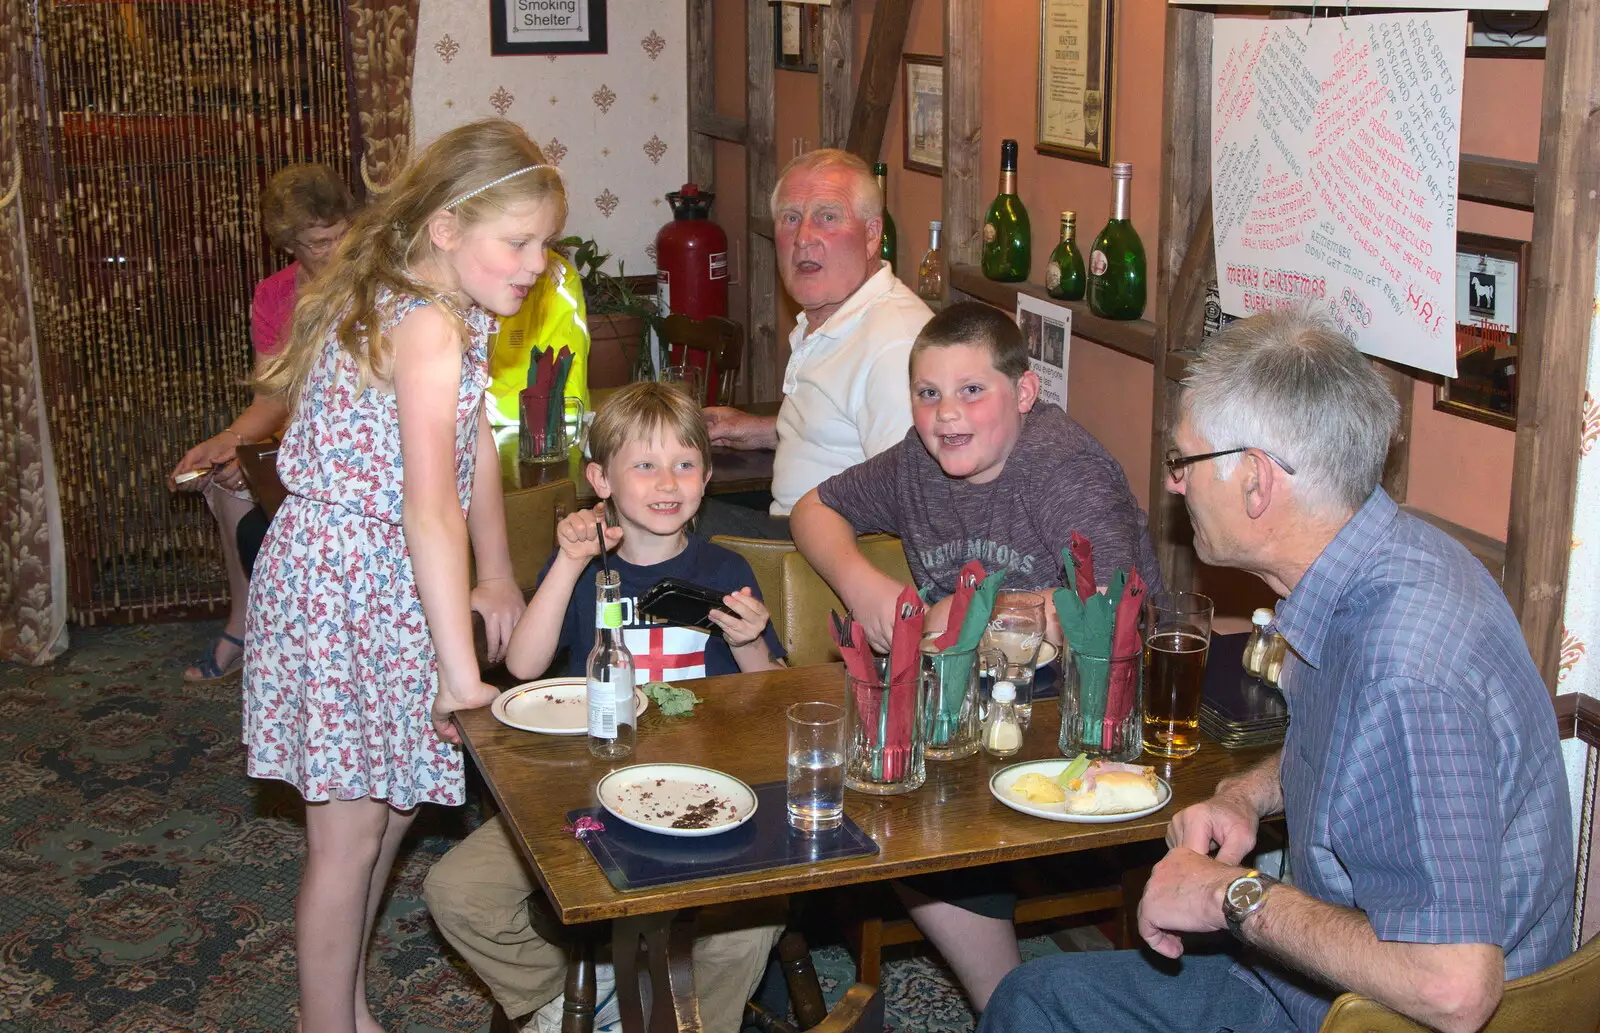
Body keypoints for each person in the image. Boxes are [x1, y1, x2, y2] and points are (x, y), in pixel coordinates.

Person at [980, 307, 1574, 1033]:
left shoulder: (1407, 663)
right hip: (1329, 987)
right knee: (1033, 994)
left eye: (1184, 462)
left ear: (1256, 482)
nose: (1174, 486)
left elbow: (1454, 987)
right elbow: (1355, 751)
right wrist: (1247, 796)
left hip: (1377, 1014)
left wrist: (1230, 895)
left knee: (1031, 1006)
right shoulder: (1385, 564)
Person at [242, 119, 554, 1033]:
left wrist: (496, 572)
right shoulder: (425, 325)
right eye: (520, 240)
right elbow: (428, 506)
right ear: (450, 227)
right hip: (347, 578)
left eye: (544, 241)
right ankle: (323, 1024)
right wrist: (464, 682)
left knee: (386, 814)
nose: (537, 261)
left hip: (382, 578)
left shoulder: (442, 306)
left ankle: (343, 1007)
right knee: (346, 837)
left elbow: (472, 450)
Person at [789, 300, 1161, 1012]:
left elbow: (1114, 608)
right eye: (928, 394)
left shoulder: (1063, 469)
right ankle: (1012, 1001)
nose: (946, 416)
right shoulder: (916, 462)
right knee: (875, 779)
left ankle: (1005, 1002)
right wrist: (867, 587)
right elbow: (813, 508)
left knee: (903, 800)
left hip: (1081, 713)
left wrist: (952, 618)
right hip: (967, 712)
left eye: (971, 391)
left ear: (1023, 393)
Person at [423, 381, 786, 1033]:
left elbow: (776, 695)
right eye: (644, 464)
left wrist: (752, 639)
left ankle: (684, 1020)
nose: (667, 481)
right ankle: (564, 999)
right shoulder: (586, 572)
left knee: (744, 933)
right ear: (601, 478)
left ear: (706, 476)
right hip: (583, 799)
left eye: (684, 463)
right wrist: (566, 563)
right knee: (458, 892)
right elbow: (525, 665)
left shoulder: (728, 569)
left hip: (709, 794)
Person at [169, 163, 355, 682]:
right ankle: (244, 620)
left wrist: (246, 442)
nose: (335, 251)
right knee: (226, 481)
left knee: (243, 474)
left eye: (342, 235)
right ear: (289, 243)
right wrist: (229, 444)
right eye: (318, 243)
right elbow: (275, 393)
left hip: (352, 445)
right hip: (294, 435)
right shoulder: (276, 295)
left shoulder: (372, 282)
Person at [698, 148, 932, 539]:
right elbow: (846, 434)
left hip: (817, 558)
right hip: (792, 532)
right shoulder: (835, 318)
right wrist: (761, 429)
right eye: (791, 218)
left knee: (653, 523)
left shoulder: (896, 344)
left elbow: (912, 506)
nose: (804, 238)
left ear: (872, 235)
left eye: (828, 217)